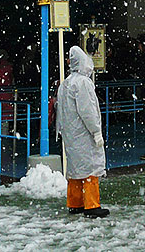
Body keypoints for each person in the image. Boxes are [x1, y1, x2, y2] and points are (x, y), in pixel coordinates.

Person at [56, 46, 109, 218]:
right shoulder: (83, 83)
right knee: (90, 168)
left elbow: (61, 112)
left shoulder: (65, 84)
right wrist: (96, 131)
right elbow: (88, 111)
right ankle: (91, 205)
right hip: (83, 133)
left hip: (71, 134)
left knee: (75, 169)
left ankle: (75, 203)